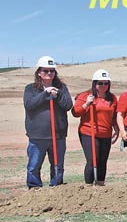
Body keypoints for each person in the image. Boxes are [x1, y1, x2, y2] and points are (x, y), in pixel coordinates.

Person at [23, 56, 73, 189]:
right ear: (39, 72)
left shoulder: (61, 88)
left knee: (57, 165)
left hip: (58, 135)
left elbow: (68, 105)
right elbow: (29, 105)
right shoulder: (30, 89)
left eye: (52, 71)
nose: (49, 73)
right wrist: (45, 94)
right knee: (34, 166)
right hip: (37, 136)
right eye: (46, 71)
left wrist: (59, 95)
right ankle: (34, 189)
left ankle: (56, 188)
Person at [72, 69, 119, 186]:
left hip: (106, 133)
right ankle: (88, 185)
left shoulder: (112, 98)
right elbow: (75, 112)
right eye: (100, 83)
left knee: (102, 161)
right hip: (88, 132)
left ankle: (100, 185)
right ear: (94, 83)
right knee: (93, 159)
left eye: (106, 83)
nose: (103, 86)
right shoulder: (85, 96)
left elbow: (114, 116)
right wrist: (86, 104)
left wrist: (117, 130)